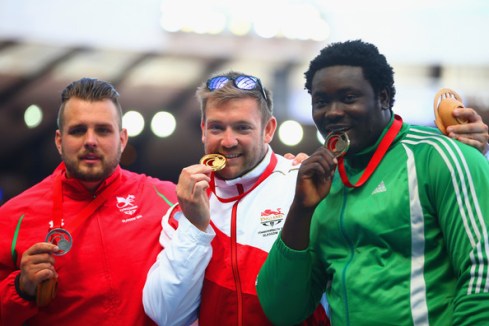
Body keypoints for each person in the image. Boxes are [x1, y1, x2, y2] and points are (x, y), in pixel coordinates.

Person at [256, 40, 489, 325]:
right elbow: (282, 310)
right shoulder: (320, 185)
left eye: (349, 97)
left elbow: (482, 271)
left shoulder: (441, 157)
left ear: (383, 98)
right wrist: (301, 210)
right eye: (321, 101)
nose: (332, 112)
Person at [142, 71, 330, 325]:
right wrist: (195, 227)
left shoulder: (305, 189)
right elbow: (166, 315)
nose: (228, 142)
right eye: (217, 128)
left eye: (242, 128)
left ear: (268, 130)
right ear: (203, 130)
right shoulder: (182, 212)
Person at [0, 78, 177, 325]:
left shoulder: (167, 200)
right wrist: (20, 288)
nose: (90, 141)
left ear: (123, 139)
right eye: (78, 130)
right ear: (59, 141)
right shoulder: (13, 217)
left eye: (103, 130)